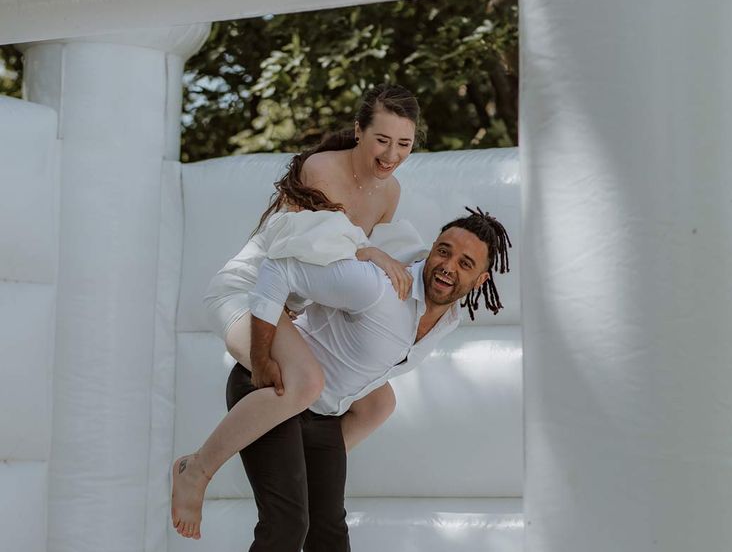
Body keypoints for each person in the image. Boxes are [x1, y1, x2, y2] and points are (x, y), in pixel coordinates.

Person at [172, 85, 424, 539]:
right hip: (249, 292)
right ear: (358, 132)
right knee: (306, 381)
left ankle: (298, 466)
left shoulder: (390, 193)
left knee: (378, 401)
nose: (391, 155)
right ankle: (197, 469)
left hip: (294, 309)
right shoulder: (321, 168)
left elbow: (354, 280)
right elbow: (307, 253)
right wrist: (370, 252)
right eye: (381, 140)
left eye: (403, 144)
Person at [228, 208, 511, 552]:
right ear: (433, 247)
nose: (448, 266)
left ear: (480, 280)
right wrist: (260, 360)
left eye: (466, 263)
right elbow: (279, 269)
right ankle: (193, 472)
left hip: (323, 416)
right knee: (287, 524)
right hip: (276, 388)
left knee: (329, 532)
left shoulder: (447, 321)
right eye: (444, 251)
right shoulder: (381, 287)